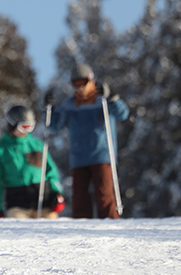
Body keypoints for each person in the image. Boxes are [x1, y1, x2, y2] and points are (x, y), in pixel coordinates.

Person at [46, 63, 130, 219]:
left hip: (102, 155)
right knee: (80, 199)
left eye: (83, 82)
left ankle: (111, 226)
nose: (80, 87)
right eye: (76, 84)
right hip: (79, 157)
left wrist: (112, 98)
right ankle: (82, 229)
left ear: (90, 80)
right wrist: (50, 109)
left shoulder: (102, 102)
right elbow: (54, 126)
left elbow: (123, 114)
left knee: (104, 196)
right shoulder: (70, 105)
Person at [0, 105, 65, 219]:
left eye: (30, 127)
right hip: (18, 205)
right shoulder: (1, 150)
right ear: (12, 124)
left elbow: (51, 172)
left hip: (42, 204)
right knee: (20, 230)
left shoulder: (37, 145)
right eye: (24, 127)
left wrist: (57, 194)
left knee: (52, 229)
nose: (27, 131)